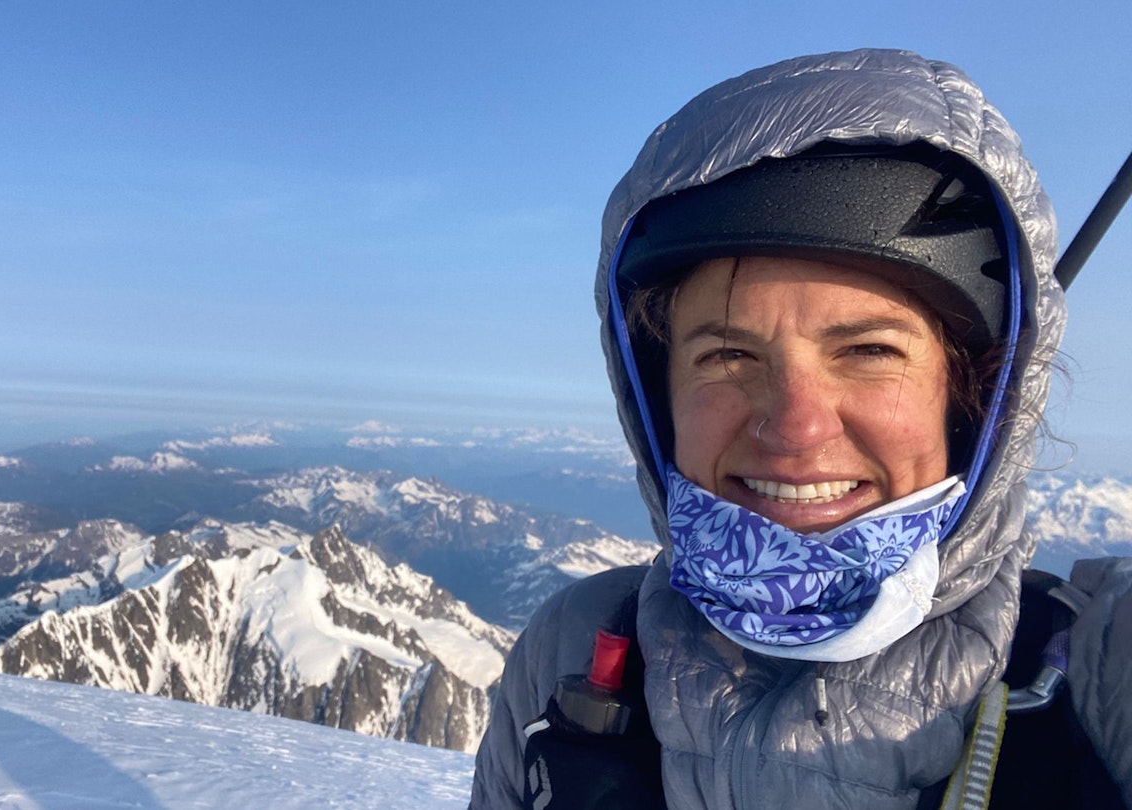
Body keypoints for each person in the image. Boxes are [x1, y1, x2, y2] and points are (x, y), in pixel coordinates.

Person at [468, 49, 1132, 809]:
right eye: (727, 354)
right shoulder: (573, 652)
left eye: (869, 351)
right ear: (657, 401)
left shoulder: (1097, 671)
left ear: (971, 399)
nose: (795, 427)